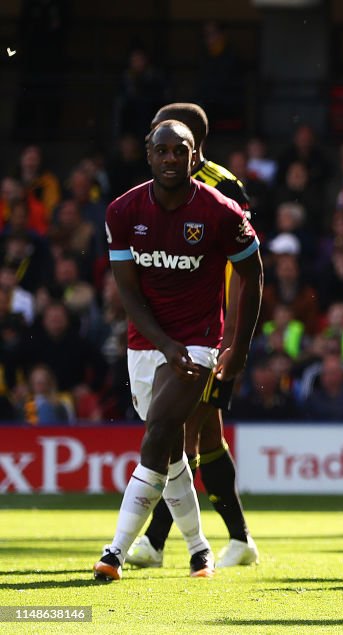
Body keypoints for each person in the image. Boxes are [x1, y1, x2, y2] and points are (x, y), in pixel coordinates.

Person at [93, 120, 262, 581]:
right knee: (174, 453)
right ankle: (200, 547)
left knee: (163, 432)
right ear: (149, 155)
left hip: (199, 343)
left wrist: (237, 349)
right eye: (161, 150)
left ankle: (115, 552)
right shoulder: (122, 211)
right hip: (148, 344)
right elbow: (128, 292)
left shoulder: (221, 205)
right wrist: (162, 344)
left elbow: (254, 272)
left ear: (195, 154)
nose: (170, 159)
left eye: (179, 151)